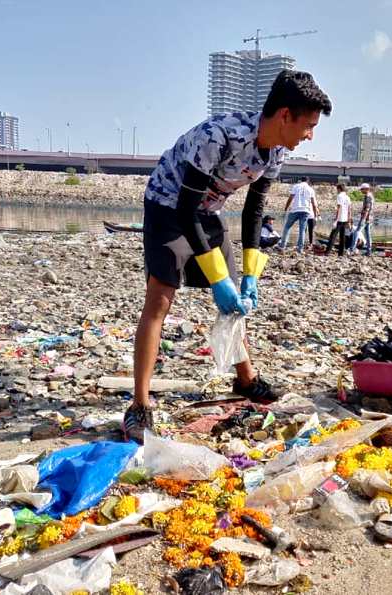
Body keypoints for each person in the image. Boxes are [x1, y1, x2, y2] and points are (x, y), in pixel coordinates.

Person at [125, 70, 332, 442]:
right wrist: (215, 279)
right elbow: (185, 210)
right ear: (285, 115)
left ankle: (245, 379)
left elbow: (254, 209)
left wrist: (251, 274)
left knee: (235, 296)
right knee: (160, 297)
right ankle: (140, 404)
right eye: (308, 126)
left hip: (207, 209)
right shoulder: (218, 137)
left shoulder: (277, 152)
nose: (310, 135)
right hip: (168, 204)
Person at [277, 176, 315, 252]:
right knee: (302, 230)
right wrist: (315, 214)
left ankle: (282, 245)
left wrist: (286, 208)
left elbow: (290, 198)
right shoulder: (311, 189)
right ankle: (300, 248)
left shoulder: (296, 186)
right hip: (306, 211)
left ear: (301, 180)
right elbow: (313, 203)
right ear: (308, 181)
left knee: (287, 227)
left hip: (295, 209)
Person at [325, 183, 352, 256]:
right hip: (345, 219)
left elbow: (338, 208)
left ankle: (327, 252)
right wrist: (349, 220)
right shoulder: (347, 197)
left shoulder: (339, 196)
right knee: (342, 237)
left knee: (332, 236)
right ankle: (341, 253)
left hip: (340, 219)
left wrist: (336, 219)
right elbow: (349, 210)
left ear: (339, 189)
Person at [349, 182, 374, 255]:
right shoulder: (370, 196)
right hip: (370, 218)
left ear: (366, 189)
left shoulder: (368, 196)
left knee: (356, 232)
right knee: (368, 234)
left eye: (362, 189)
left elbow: (367, 208)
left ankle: (352, 249)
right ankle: (369, 251)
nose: (361, 191)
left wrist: (363, 218)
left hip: (365, 218)